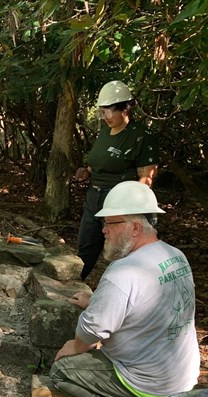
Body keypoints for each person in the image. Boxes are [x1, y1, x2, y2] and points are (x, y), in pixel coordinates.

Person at [50, 181, 200, 397]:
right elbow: (144, 303)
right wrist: (95, 301)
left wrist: (76, 347)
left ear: (135, 227)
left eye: (109, 222)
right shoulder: (175, 256)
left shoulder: (123, 271)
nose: (103, 231)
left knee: (61, 371)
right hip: (181, 378)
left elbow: (91, 330)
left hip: (144, 381)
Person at [75, 80, 159, 281]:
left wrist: (131, 208)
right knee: (86, 247)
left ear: (124, 109)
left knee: (122, 252)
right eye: (101, 112)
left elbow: (146, 178)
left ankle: (123, 291)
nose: (104, 117)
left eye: (108, 112)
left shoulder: (140, 136)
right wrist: (87, 171)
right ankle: (73, 287)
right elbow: (100, 160)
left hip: (119, 201)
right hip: (94, 197)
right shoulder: (105, 131)